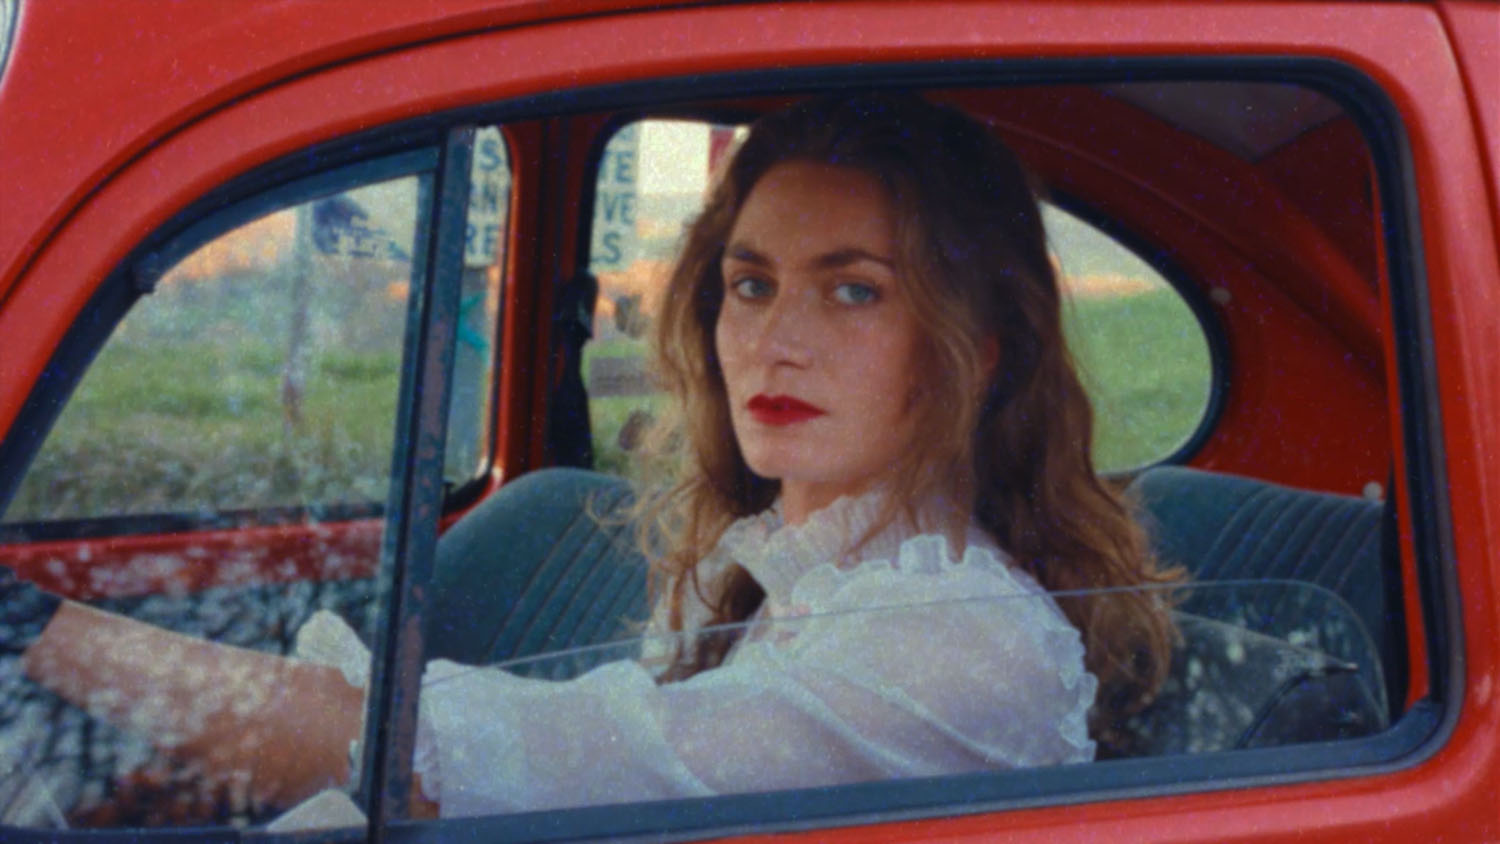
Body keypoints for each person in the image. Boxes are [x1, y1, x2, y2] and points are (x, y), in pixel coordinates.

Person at [1, 92, 1180, 824]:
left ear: (976, 348)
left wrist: (33, 630)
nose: (774, 339)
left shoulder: (957, 642)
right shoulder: (784, 569)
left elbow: (509, 764)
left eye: (854, 290)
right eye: (751, 283)